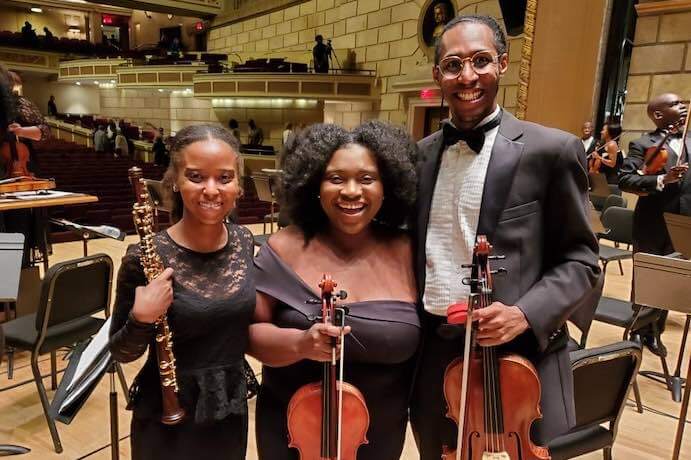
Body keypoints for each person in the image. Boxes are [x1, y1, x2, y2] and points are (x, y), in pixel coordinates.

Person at [411, 14, 600, 459]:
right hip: (436, 359)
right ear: (438, 74)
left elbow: (582, 262)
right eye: (454, 65)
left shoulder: (551, 151)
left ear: (503, 63)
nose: (468, 76)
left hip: (521, 364)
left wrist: (524, 313)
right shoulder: (417, 157)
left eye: (481, 61)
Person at [248, 121, 420, 459]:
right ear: (314, 184)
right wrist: (300, 343)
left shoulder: (409, 251)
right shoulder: (283, 247)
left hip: (380, 438)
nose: (351, 191)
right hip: (294, 433)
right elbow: (250, 333)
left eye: (367, 179)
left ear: (389, 186)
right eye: (336, 178)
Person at [109, 124, 255, 460]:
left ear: (239, 185)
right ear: (174, 180)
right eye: (196, 176)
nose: (211, 189)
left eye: (224, 177)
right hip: (167, 415)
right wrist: (140, 318)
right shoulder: (143, 258)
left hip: (228, 409)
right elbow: (121, 352)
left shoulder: (244, 242)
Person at [618, 93, 690, 357]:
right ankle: (638, 330)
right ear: (658, 115)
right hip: (652, 223)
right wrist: (662, 179)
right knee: (646, 279)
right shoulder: (644, 144)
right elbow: (626, 180)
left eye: (683, 102)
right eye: (674, 104)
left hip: (683, 224)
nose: (682, 106)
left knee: (668, 280)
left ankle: (656, 331)